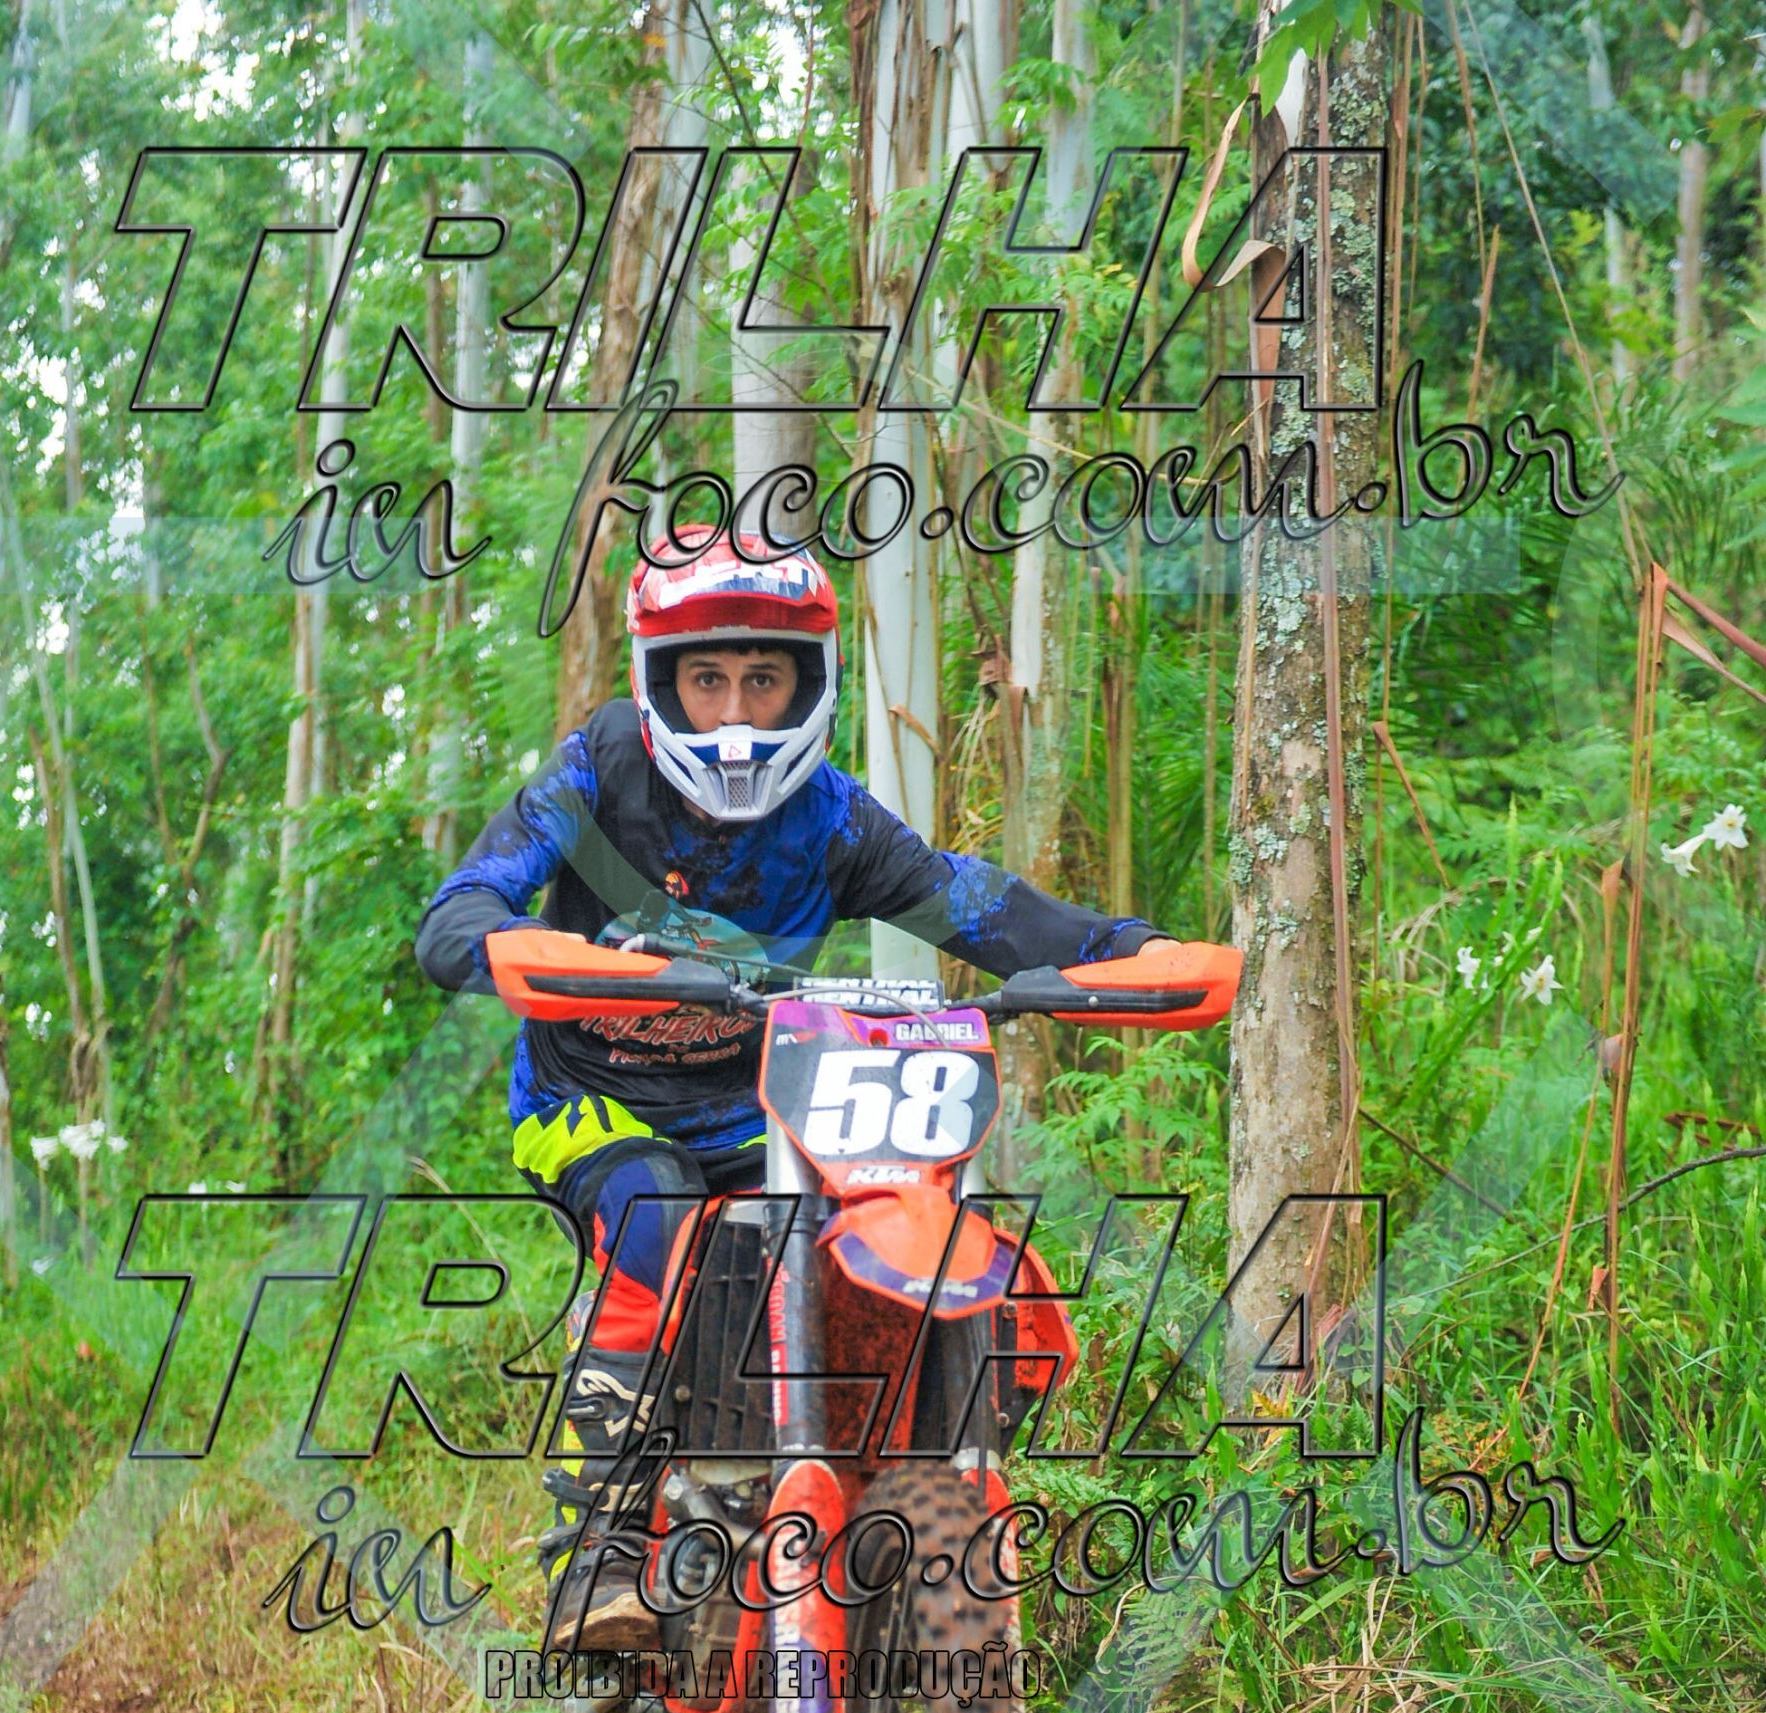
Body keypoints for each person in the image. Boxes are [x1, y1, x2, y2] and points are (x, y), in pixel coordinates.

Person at [415, 533, 1234, 1648]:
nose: (734, 712)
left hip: (763, 1109)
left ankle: (901, 1520)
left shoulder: (830, 819)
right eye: (707, 680)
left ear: (809, 683)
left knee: (892, 1217)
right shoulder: (599, 769)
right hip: (594, 1105)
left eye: (763, 678)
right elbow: (465, 902)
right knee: (656, 1209)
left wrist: (1128, 948)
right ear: (660, 682)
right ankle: (598, 1550)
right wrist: (506, 941)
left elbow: (972, 903)